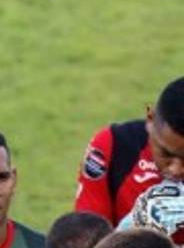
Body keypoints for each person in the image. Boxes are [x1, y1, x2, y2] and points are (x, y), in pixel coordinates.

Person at [73, 76, 184, 226]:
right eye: (166, 154)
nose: (176, 170)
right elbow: (87, 242)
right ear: (150, 119)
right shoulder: (113, 146)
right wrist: (134, 224)